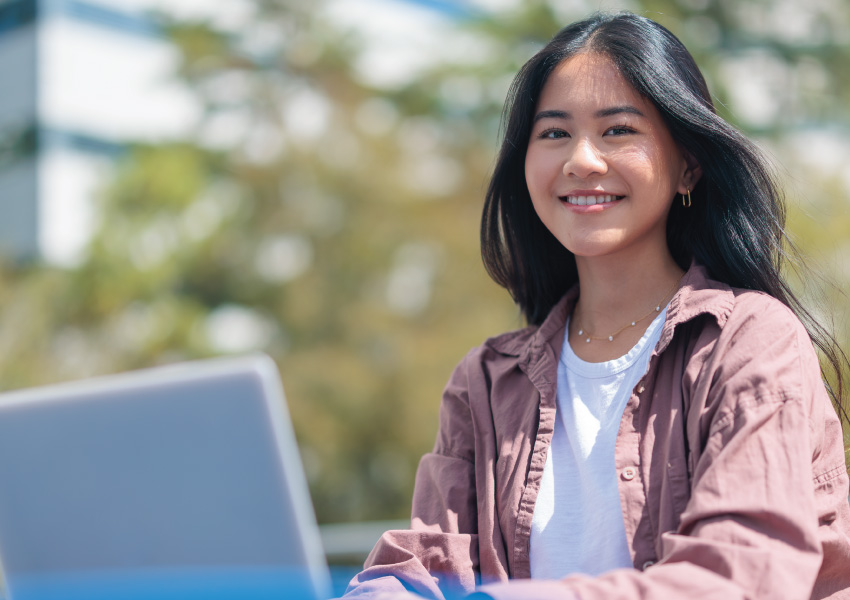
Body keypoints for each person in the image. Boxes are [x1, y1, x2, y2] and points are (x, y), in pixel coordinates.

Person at [342, 11, 850, 600]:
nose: (581, 159)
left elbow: (741, 575)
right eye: (554, 133)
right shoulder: (484, 382)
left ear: (688, 163)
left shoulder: (748, 340)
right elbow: (422, 567)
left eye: (617, 131)